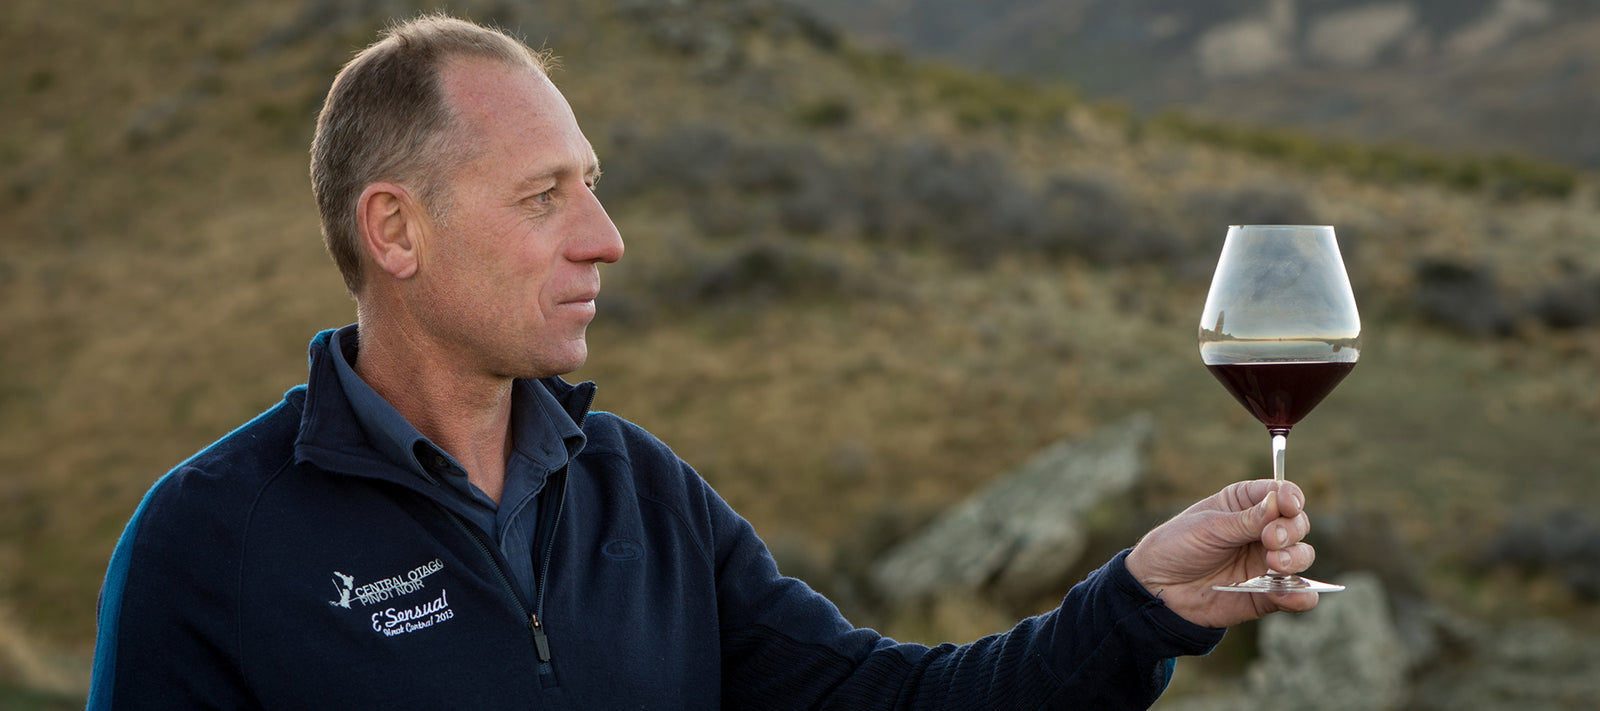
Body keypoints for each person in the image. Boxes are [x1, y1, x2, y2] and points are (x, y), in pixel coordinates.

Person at [88, 14, 1321, 710]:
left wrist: (1134, 608)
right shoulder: (211, 545)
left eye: (595, 186)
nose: (604, 238)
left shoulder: (639, 493)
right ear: (395, 230)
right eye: (541, 196)